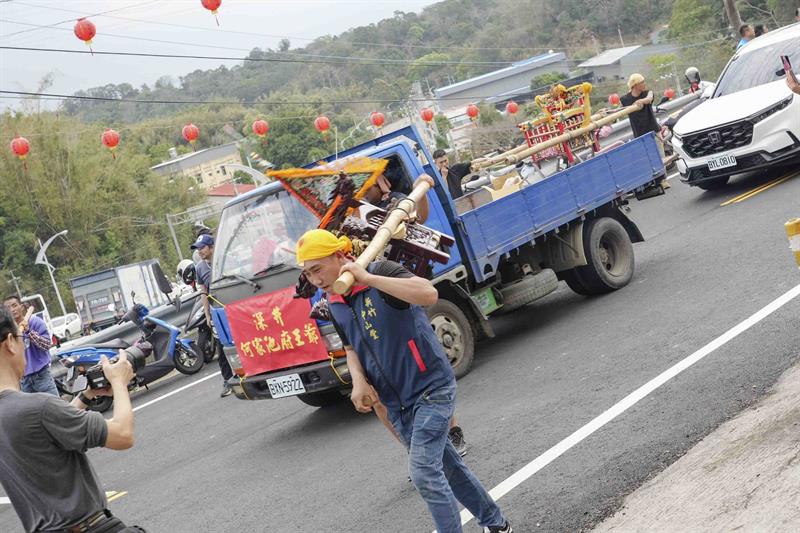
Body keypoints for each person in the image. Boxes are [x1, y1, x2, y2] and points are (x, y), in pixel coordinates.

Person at [296, 224, 512, 533]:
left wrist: (369, 279)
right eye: (308, 274)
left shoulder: (381, 271)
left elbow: (428, 293)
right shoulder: (334, 303)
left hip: (430, 388)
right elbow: (350, 346)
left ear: (339, 256)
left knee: (424, 472)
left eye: (318, 269)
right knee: (450, 470)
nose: (315, 280)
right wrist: (358, 380)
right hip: (395, 403)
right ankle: (498, 524)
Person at [0, 306, 145, 532]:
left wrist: (86, 397)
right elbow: (122, 435)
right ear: (10, 342)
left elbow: (43, 433)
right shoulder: (38, 407)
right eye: (20, 338)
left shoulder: (28, 412)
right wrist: (119, 382)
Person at [191, 234, 233, 397]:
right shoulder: (200, 268)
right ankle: (228, 380)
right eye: (198, 248)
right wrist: (208, 314)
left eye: (202, 247)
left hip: (231, 307)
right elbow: (203, 292)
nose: (199, 251)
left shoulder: (225, 260)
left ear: (212, 247)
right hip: (217, 312)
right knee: (222, 347)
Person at [620, 73, 670, 189]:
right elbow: (618, 110)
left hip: (653, 130)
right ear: (635, 84)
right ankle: (652, 181)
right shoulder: (625, 99)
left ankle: (663, 180)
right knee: (646, 159)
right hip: (640, 133)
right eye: (642, 82)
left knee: (659, 155)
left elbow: (649, 99)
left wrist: (641, 102)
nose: (644, 84)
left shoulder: (648, 93)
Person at [3, 295, 59, 396]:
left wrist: (29, 331)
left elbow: (46, 345)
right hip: (23, 381)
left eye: (14, 305)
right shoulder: (8, 331)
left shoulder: (35, 322)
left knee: (56, 409)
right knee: (30, 412)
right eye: (8, 308)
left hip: (41, 375)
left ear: (22, 307)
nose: (12, 310)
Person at [362, 166, 430, 223]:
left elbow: (418, 218)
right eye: (360, 191)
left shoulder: (396, 198)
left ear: (379, 186)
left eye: (367, 190)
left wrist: (420, 191)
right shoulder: (364, 207)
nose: (363, 194)